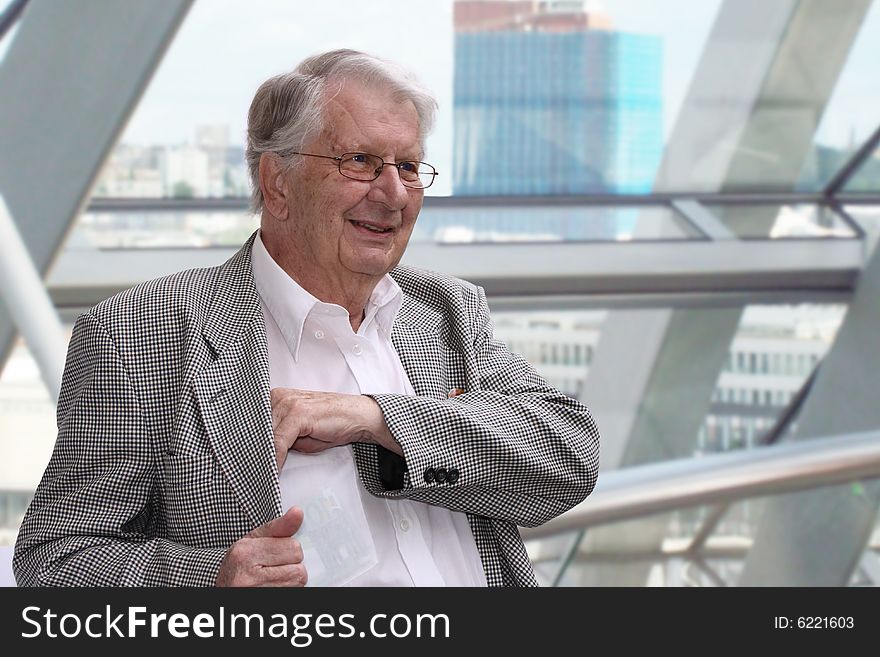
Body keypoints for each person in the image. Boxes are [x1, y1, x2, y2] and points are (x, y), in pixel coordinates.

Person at [14, 49, 599, 587]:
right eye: (362, 162)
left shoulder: (449, 311)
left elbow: (572, 459)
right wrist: (212, 578)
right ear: (278, 183)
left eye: (410, 167)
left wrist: (381, 420)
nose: (393, 194)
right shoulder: (143, 333)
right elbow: (53, 560)